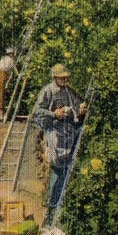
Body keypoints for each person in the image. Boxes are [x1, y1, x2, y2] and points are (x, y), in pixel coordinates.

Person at [32, 63, 87, 225]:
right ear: (55, 78)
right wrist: (53, 114)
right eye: (62, 77)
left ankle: (59, 208)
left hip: (68, 133)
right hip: (54, 133)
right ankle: (50, 209)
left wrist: (81, 110)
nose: (65, 79)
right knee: (57, 168)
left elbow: (76, 108)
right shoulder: (47, 91)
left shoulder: (69, 92)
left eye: (66, 77)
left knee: (66, 169)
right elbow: (37, 111)